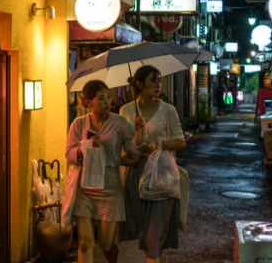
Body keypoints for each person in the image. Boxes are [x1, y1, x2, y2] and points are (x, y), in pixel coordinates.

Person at [63, 80, 139, 263]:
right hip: (85, 188)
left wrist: (139, 131)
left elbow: (133, 151)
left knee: (105, 244)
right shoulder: (79, 124)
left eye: (109, 97)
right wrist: (85, 148)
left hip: (110, 187)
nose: (107, 102)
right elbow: (69, 154)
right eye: (101, 98)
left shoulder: (120, 123)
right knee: (85, 242)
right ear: (88, 101)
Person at [119, 65, 186, 263]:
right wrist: (137, 133)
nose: (158, 84)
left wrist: (158, 144)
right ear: (139, 84)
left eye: (159, 80)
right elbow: (125, 147)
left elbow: (180, 142)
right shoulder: (126, 110)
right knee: (146, 235)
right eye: (153, 80)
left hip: (162, 175)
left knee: (154, 237)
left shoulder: (168, 109)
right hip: (135, 175)